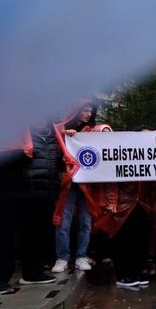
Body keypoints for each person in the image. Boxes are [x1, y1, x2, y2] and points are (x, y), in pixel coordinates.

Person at [0, 125, 59, 291]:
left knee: (37, 235)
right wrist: (18, 154)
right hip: (16, 191)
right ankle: (1, 279)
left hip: (45, 192)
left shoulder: (53, 133)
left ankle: (32, 273)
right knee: (7, 237)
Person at [51, 100, 97, 273]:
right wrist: (64, 136)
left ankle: (81, 256)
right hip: (68, 183)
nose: (89, 114)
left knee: (86, 222)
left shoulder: (94, 131)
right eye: (85, 110)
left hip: (87, 184)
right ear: (76, 111)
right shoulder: (61, 130)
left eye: (91, 111)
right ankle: (62, 258)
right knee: (64, 221)